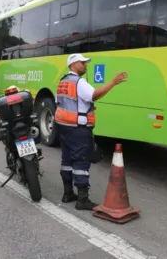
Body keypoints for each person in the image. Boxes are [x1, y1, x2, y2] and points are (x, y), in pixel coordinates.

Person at [54, 53, 127, 210]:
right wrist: (113, 82)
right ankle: (82, 200)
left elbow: (59, 103)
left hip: (63, 127)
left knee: (67, 160)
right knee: (81, 161)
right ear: (73, 64)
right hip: (78, 129)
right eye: (83, 62)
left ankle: (68, 193)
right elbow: (95, 95)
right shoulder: (79, 82)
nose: (86, 65)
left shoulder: (63, 81)